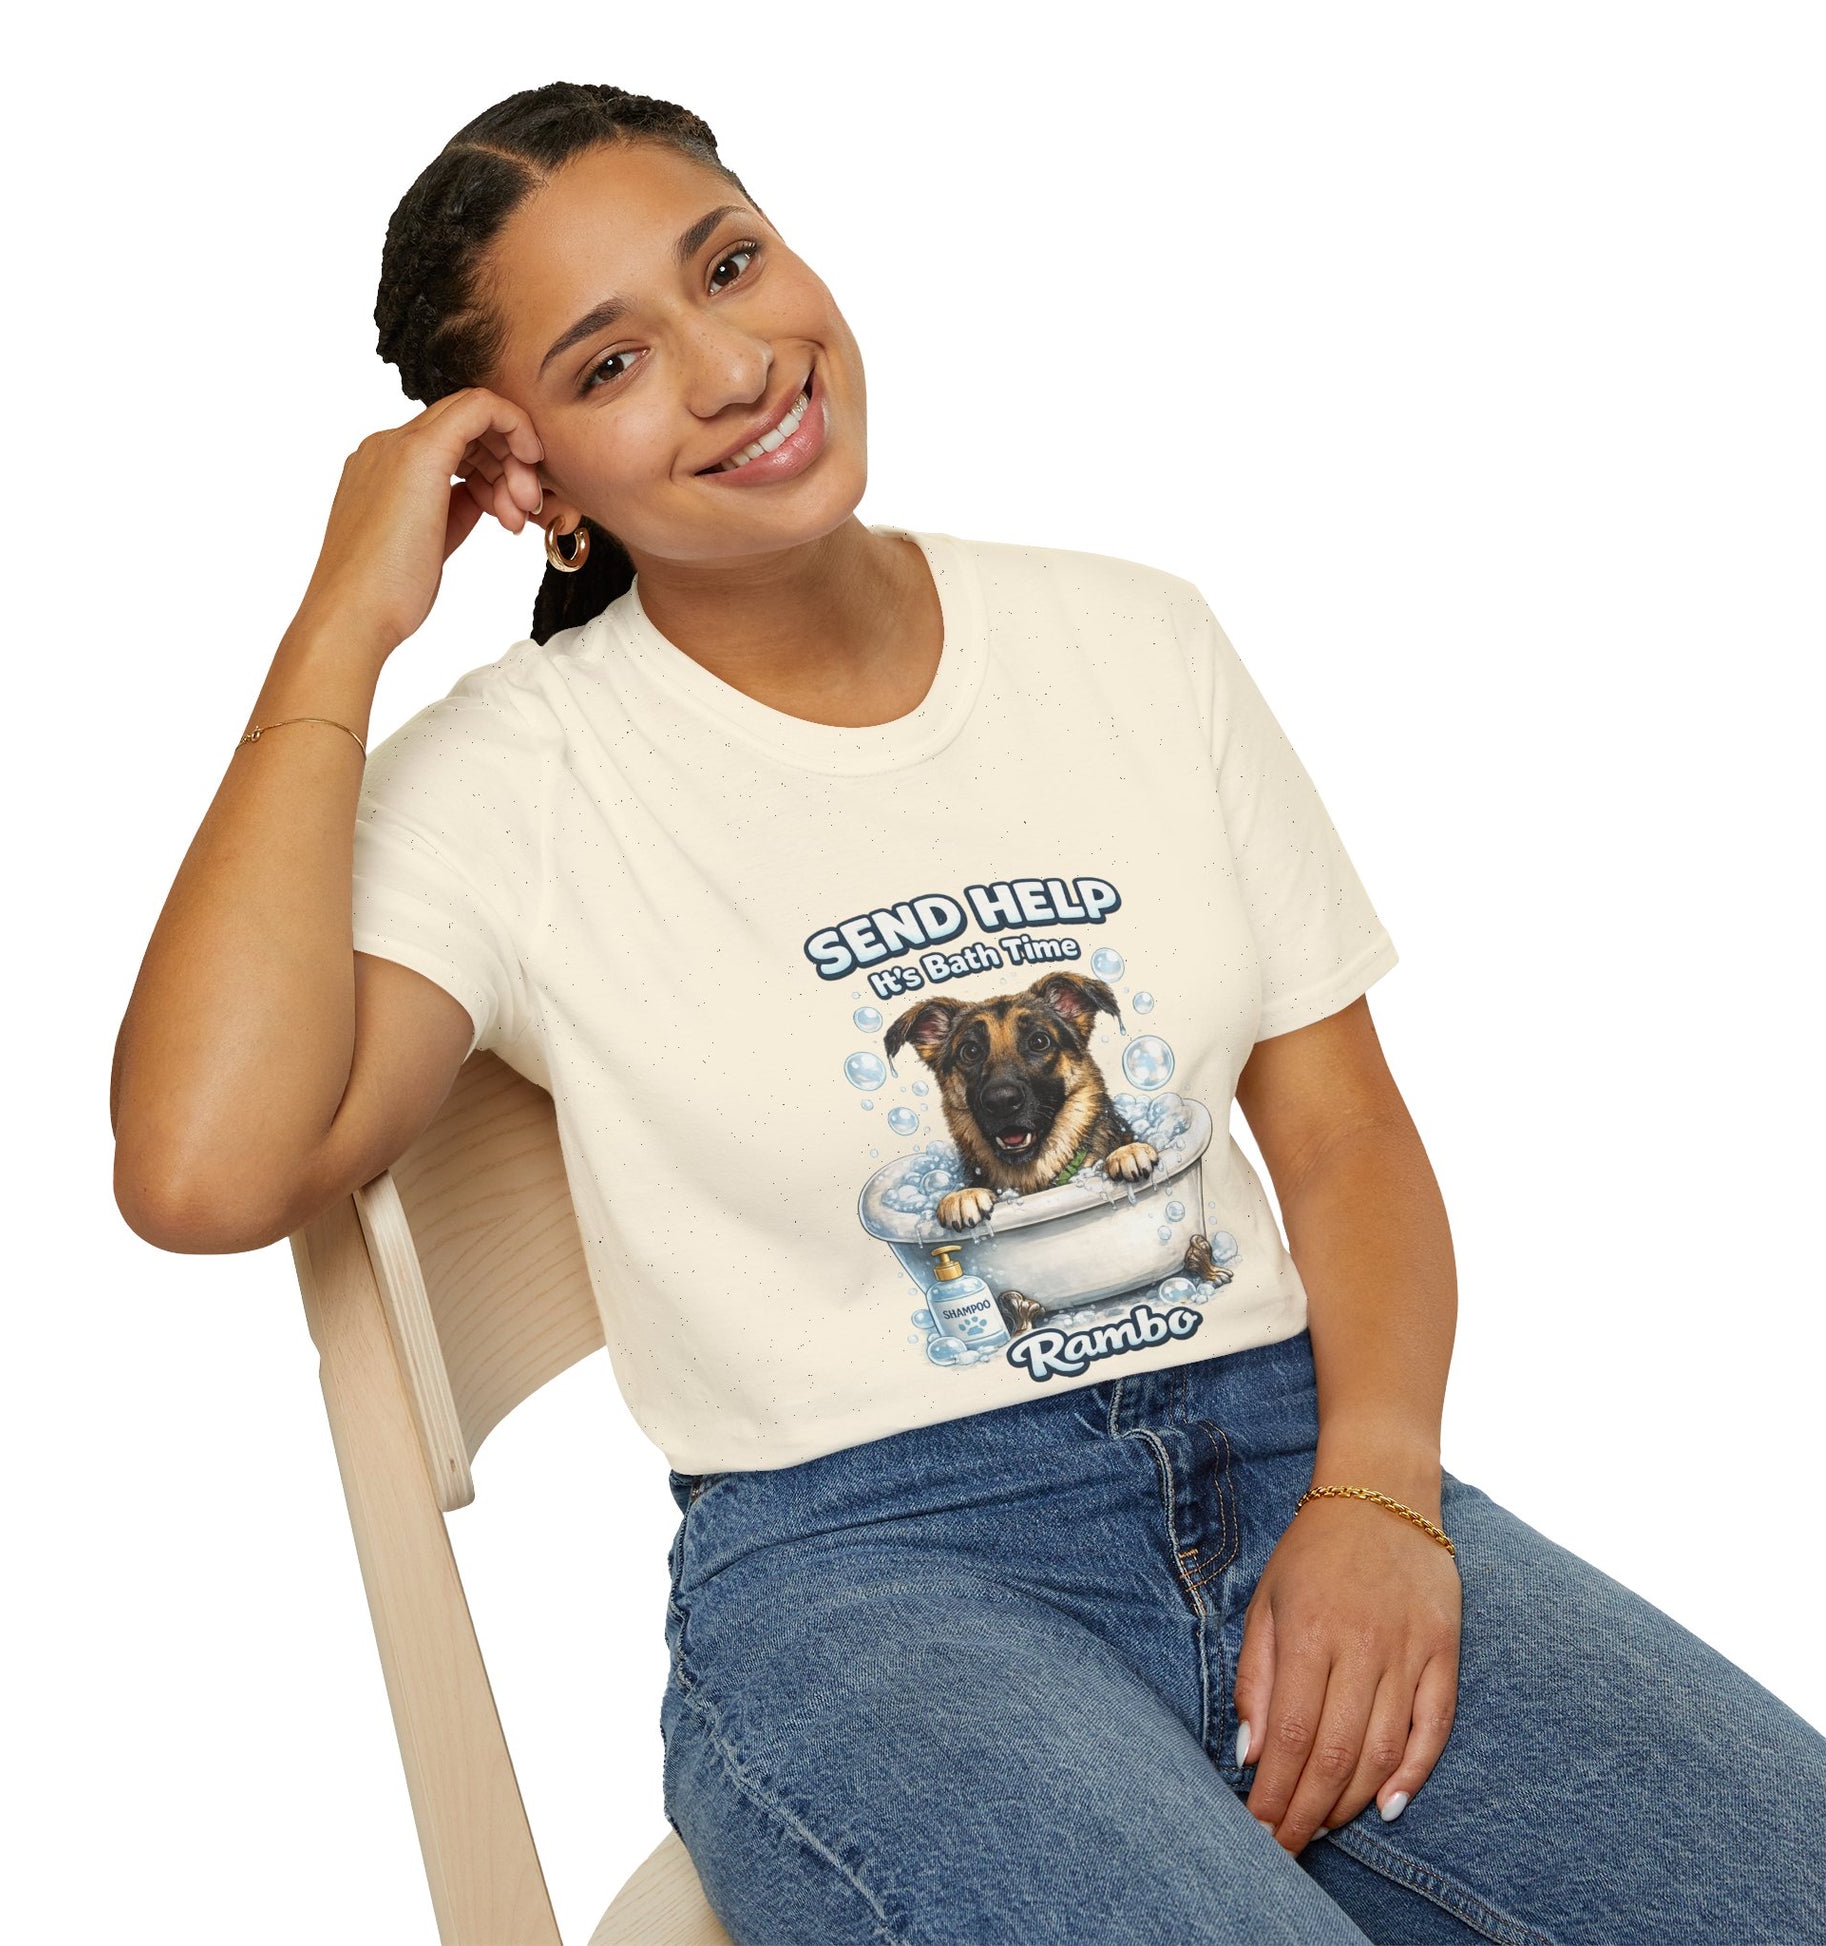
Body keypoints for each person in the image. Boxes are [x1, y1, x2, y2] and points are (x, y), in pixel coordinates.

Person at [110, 82, 1826, 1945]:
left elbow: (1341, 1134)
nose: (733, 367)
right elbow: (203, 1169)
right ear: (533, 483)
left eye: (729, 266)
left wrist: (1380, 1493)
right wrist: (340, 623)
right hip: (870, 1576)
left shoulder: (1134, 639)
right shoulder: (519, 779)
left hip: (1294, 1454)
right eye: (611, 363)